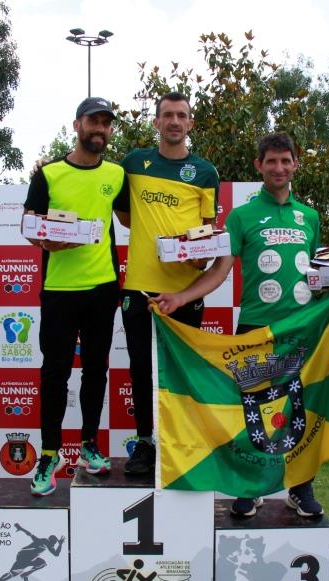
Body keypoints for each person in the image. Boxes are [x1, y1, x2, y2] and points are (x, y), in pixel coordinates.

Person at [154, 131, 329, 518]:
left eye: (286, 160)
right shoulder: (242, 216)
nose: (279, 168)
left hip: (301, 329)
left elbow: (317, 276)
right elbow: (220, 271)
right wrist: (182, 297)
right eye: (272, 161)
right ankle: (250, 488)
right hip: (254, 328)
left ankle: (300, 487)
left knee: (300, 408)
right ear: (259, 166)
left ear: (296, 164)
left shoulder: (311, 217)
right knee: (252, 409)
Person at [22, 96, 130, 496]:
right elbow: (30, 224)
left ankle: (88, 446)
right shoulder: (49, 174)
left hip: (102, 288)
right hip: (59, 291)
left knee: (96, 372)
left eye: (105, 123)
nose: (99, 129)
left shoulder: (117, 175)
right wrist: (46, 239)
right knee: (54, 374)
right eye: (93, 122)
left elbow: (131, 218)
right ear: (76, 125)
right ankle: (49, 455)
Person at [119, 92, 220, 475]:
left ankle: (181, 443)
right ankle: (144, 444)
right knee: (141, 370)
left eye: (181, 115)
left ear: (190, 123)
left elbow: (207, 235)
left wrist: (195, 256)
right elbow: (126, 218)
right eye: (167, 115)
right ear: (157, 122)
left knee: (183, 369)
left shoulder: (206, 172)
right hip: (140, 288)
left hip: (184, 292)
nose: (174, 121)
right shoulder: (134, 163)